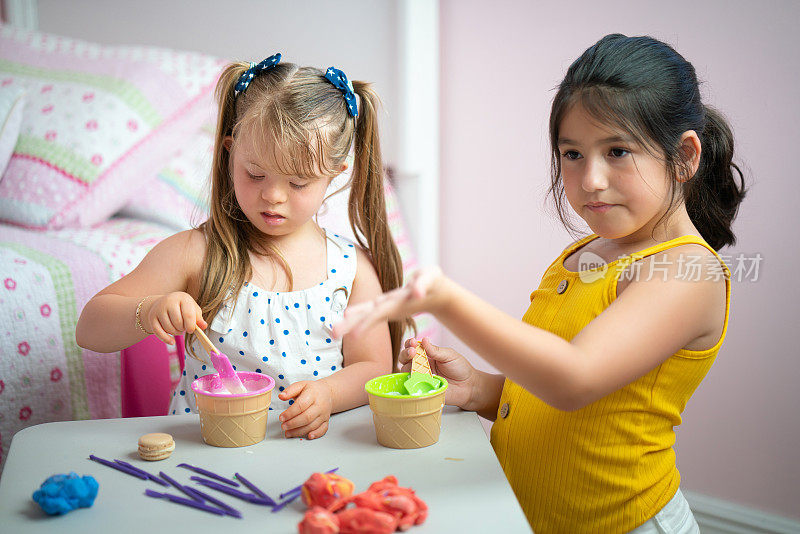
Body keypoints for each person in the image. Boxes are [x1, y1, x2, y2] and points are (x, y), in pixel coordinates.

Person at [333, 34, 746, 533]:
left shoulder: (686, 271)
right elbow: (558, 395)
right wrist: (479, 389)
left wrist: (445, 300)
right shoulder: (584, 254)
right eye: (572, 154)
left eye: (617, 151)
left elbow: (575, 380)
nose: (590, 178)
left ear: (683, 157)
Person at [76, 53, 412, 440]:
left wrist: (328, 394)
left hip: (311, 460)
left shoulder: (352, 270)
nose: (272, 195)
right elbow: (90, 327)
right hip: (206, 458)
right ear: (229, 150)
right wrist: (147, 310)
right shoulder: (197, 253)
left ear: (335, 174)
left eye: (298, 183)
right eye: (255, 173)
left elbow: (373, 367)